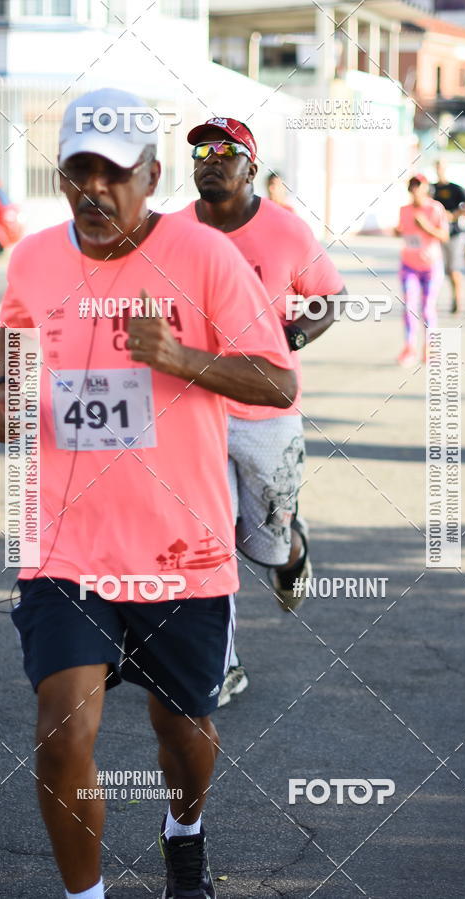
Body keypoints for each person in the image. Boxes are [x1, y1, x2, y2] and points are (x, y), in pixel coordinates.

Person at [0, 88, 296, 899]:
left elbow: (276, 380)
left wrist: (183, 357)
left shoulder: (205, 258)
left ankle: (183, 829)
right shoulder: (33, 261)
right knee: (63, 728)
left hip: (179, 548)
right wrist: (4, 403)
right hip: (64, 543)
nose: (94, 189)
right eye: (78, 171)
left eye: (113, 173)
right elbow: (7, 381)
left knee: (182, 728)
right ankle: (85, 896)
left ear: (151, 175)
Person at [178, 117, 347, 706]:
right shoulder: (170, 233)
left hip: (269, 413)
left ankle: (293, 547)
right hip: (193, 411)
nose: (211, 158)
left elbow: (329, 297)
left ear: (251, 166)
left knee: (268, 539)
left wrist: (290, 340)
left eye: (227, 151)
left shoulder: (286, 232)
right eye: (202, 149)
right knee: (210, 538)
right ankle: (222, 664)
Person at [395, 174, 449, 366]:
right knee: (409, 305)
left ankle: (429, 348)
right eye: (412, 186)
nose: (415, 189)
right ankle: (409, 347)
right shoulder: (404, 209)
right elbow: (402, 230)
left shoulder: (435, 208)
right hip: (409, 265)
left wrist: (426, 227)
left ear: (426, 187)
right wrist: (397, 231)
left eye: (418, 185)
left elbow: (444, 236)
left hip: (430, 266)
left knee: (427, 308)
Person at [432, 160, 465, 314]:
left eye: (442, 167)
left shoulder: (455, 188)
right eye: (437, 167)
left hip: (454, 234)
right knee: (439, 270)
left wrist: (453, 215)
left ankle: (457, 299)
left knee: (454, 269)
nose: (440, 170)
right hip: (436, 234)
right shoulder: (431, 188)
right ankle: (432, 301)